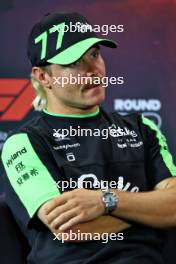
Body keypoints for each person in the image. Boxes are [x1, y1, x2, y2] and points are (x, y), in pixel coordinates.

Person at [1, 12, 176, 264]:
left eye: (94, 54)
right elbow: (71, 229)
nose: (92, 71)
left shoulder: (141, 127)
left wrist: (105, 201)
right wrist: (150, 211)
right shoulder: (25, 142)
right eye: (73, 63)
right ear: (43, 77)